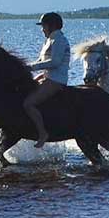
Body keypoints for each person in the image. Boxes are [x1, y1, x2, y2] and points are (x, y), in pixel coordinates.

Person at [25, 11, 70, 147]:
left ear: (52, 26)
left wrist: (32, 67)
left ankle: (43, 133)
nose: (42, 29)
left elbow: (55, 62)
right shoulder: (50, 40)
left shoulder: (59, 40)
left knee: (29, 104)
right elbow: (41, 60)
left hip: (56, 80)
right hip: (48, 77)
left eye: (44, 26)